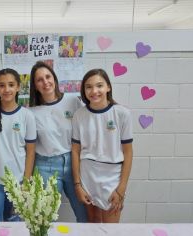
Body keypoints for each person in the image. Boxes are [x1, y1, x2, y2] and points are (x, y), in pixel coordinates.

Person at [71, 68, 133, 223]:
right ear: (84, 91)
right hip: (87, 176)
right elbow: (75, 151)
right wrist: (78, 184)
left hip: (112, 177)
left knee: (110, 229)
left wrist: (121, 188)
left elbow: (128, 152)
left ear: (108, 87)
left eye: (99, 85)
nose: (94, 91)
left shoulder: (122, 114)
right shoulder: (79, 115)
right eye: (89, 87)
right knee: (92, 225)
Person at [28, 61, 87, 222]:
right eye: (39, 79)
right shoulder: (31, 113)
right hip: (45, 166)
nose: (45, 82)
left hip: (73, 163)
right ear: (35, 85)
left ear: (54, 78)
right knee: (45, 220)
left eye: (48, 76)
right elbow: (29, 148)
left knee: (85, 215)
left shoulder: (73, 101)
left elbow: (93, 115)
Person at [0, 68, 36, 222]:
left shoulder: (27, 116)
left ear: (18, 87)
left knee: (16, 226)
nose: (6, 89)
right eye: (2, 85)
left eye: (11, 84)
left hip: (18, 182)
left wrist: (26, 182)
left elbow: (31, 152)